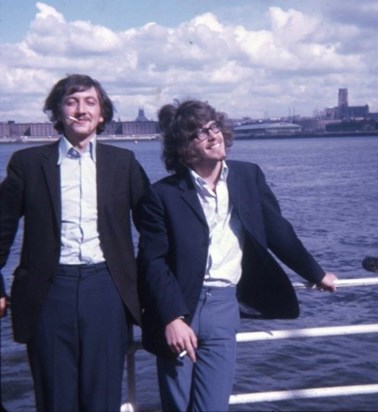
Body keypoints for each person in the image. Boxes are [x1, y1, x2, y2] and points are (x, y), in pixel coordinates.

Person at [137, 99, 338, 412]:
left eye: (214, 127)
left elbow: (278, 232)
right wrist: (172, 317)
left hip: (223, 307)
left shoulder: (248, 177)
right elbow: (153, 261)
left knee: (211, 407)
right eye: (200, 134)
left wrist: (316, 274)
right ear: (183, 147)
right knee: (177, 406)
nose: (213, 136)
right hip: (178, 308)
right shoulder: (162, 195)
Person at [0, 74, 150, 411]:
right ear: (57, 111)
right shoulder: (27, 164)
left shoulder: (122, 163)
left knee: (102, 399)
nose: (81, 111)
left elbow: (154, 230)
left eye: (90, 103)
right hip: (48, 295)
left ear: (102, 114)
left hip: (107, 291)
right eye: (72, 102)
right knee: (55, 401)